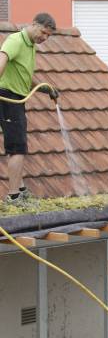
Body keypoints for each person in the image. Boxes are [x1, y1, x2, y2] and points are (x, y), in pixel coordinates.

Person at [0, 12, 59, 204]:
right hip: (8, 97)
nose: (45, 38)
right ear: (34, 24)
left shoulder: (30, 46)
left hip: (17, 98)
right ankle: (14, 197)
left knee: (19, 145)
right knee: (17, 147)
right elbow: (2, 60)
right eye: (43, 32)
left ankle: (20, 189)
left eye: (48, 35)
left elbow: (24, 76)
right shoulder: (16, 40)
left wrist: (44, 88)